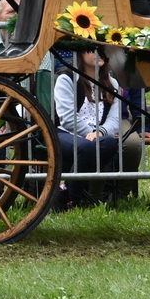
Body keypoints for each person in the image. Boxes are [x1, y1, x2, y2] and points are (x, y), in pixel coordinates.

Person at [52, 46, 124, 207]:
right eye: (92, 49)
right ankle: (74, 200)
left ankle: (67, 191)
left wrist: (100, 132)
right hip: (65, 133)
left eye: (103, 49)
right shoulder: (67, 78)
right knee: (87, 147)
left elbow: (114, 119)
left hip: (98, 136)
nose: (99, 53)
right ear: (80, 52)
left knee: (110, 143)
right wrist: (91, 133)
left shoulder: (112, 83)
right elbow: (67, 118)